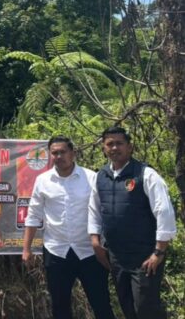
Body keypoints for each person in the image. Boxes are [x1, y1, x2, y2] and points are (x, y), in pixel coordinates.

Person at [89, 126, 177, 319]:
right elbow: (94, 210)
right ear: (104, 148)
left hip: (145, 256)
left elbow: (164, 212)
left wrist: (159, 252)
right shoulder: (100, 176)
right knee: (127, 305)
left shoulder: (146, 174)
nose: (114, 148)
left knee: (146, 308)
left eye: (119, 143)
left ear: (130, 147)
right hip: (116, 256)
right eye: (110, 144)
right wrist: (95, 242)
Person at [22, 136, 115, 319]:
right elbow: (33, 215)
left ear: (72, 153)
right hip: (56, 252)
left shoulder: (91, 178)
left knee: (101, 304)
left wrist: (102, 244)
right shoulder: (43, 180)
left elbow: (103, 212)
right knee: (60, 307)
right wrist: (26, 249)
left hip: (89, 252)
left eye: (63, 152)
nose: (59, 156)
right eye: (54, 153)